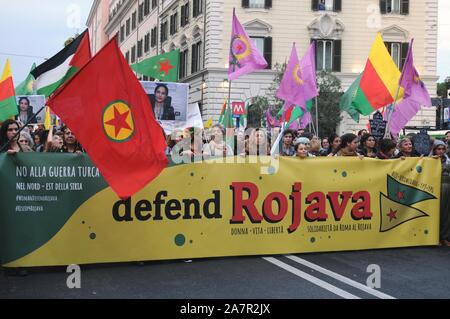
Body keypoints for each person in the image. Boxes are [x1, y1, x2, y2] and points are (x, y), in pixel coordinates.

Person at [431, 140, 450, 246]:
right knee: (434, 213)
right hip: (433, 188)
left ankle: (445, 237)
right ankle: (434, 237)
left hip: (446, 188)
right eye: (438, 149)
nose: (441, 151)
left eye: (443, 149)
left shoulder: (448, 161)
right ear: (434, 150)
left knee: (446, 214)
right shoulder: (428, 160)